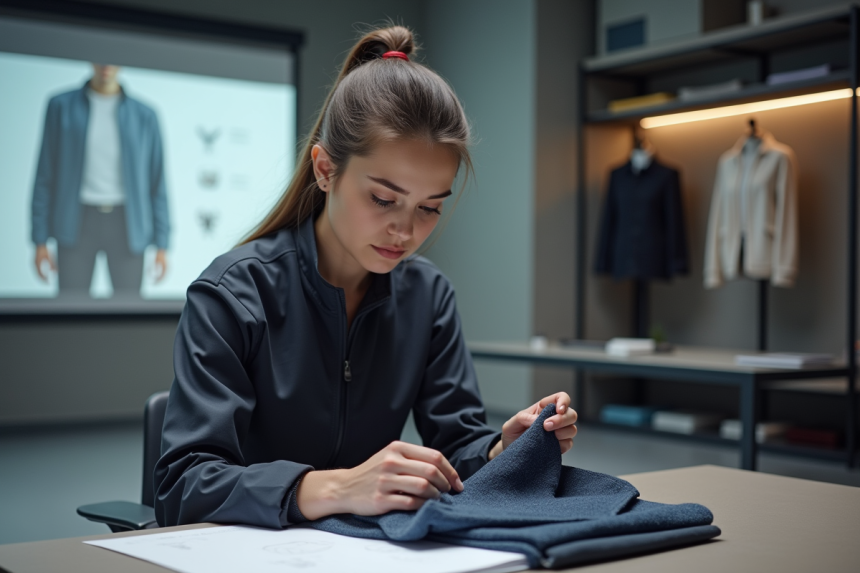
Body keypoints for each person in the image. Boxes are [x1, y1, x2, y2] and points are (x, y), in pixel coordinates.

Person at [154, 26, 577, 528]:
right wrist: (335, 486)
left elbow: (456, 445)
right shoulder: (232, 294)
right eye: (383, 199)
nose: (404, 231)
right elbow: (183, 486)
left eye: (429, 208)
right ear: (325, 169)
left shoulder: (428, 296)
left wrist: (499, 447)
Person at [31, 63, 170, 298]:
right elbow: (45, 175)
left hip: (128, 226)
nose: (106, 64)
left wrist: (162, 243)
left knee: (128, 312)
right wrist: (39, 240)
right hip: (75, 223)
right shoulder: (61, 106)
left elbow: (158, 183)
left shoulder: (145, 115)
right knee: (70, 309)